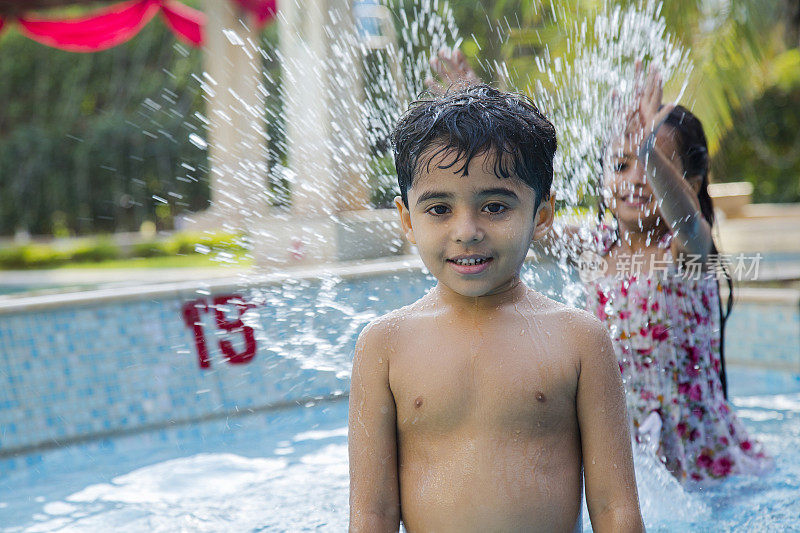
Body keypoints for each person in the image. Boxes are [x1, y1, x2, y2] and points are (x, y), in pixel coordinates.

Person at [426, 49, 772, 485]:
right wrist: (479, 113)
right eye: (621, 165)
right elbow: (522, 221)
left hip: (699, 453)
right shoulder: (596, 246)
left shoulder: (685, 253)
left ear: (693, 183)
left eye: (651, 166)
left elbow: (687, 220)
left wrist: (648, 149)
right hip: (625, 446)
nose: (634, 180)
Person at [348, 84, 644, 532]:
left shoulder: (579, 340)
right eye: (439, 209)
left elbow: (614, 509)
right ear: (408, 220)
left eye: (494, 206)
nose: (467, 231)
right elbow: (373, 514)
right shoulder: (384, 346)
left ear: (541, 216)